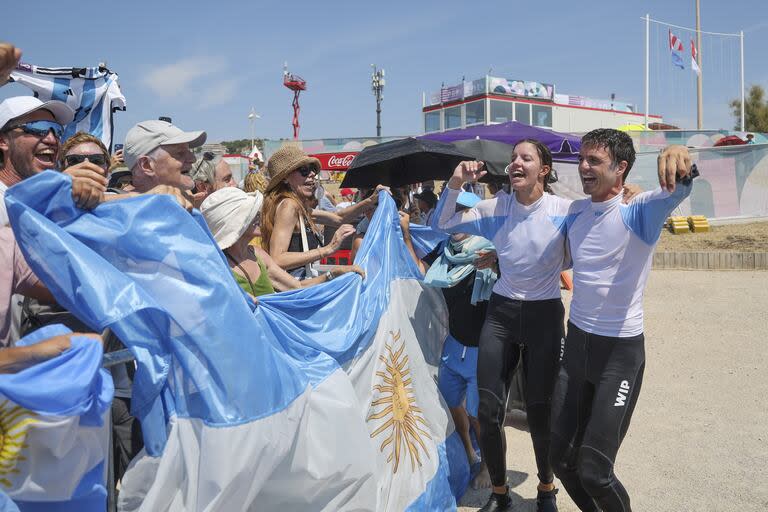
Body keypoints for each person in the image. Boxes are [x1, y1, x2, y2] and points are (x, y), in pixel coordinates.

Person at [549, 129, 693, 512]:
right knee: (561, 461)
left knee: (595, 472)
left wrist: (680, 153)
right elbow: (544, 248)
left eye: (594, 161)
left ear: (621, 167)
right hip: (577, 348)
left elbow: (679, 188)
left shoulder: (638, 210)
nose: (583, 167)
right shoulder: (575, 211)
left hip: (619, 354)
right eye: (582, 159)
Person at [422, 191, 497, 486]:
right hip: (453, 346)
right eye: (453, 213)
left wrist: (498, 262)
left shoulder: (490, 251)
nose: (458, 220)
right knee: (453, 406)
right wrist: (402, 233)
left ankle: (490, 468)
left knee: (480, 416)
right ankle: (469, 453)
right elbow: (419, 269)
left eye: (466, 213)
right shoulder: (444, 252)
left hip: (481, 348)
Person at [200, 187, 364, 296]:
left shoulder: (257, 255)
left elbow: (298, 287)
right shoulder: (217, 265)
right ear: (234, 223)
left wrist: (333, 273)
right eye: (250, 214)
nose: (259, 215)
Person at [260, 145, 384, 278]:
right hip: (295, 291)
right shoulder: (288, 205)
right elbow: (278, 258)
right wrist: (327, 249)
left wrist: (370, 201)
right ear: (285, 178)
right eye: (304, 170)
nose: (312, 174)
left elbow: (338, 217)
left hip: (298, 285)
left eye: (312, 169)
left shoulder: (296, 206)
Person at [124, 119, 205, 195]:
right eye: (180, 153)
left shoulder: (188, 204)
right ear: (147, 165)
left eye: (189, 151)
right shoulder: (118, 208)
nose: (193, 159)